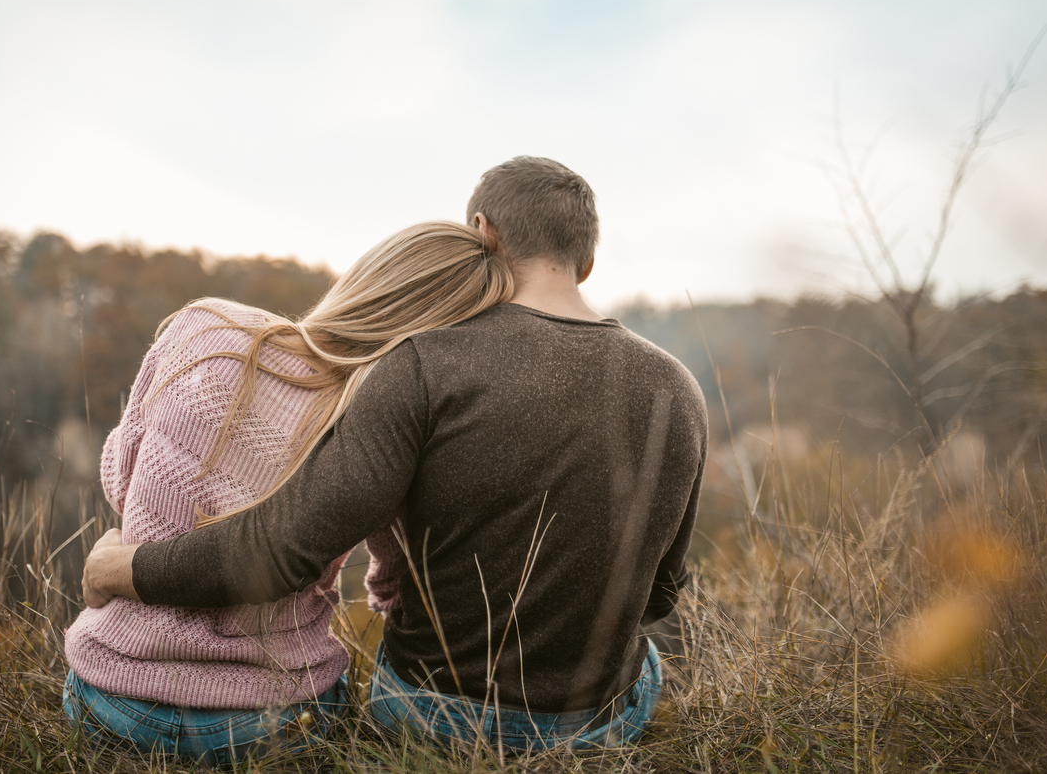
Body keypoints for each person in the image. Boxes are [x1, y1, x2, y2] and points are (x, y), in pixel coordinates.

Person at [82, 156, 708, 752]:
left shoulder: (421, 365)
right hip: (596, 722)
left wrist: (119, 570)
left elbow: (283, 550)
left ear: (481, 231)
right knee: (642, 661)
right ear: (588, 260)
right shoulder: (678, 388)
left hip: (431, 714)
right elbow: (659, 596)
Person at [62, 222, 513, 764]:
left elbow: (121, 474)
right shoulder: (384, 422)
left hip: (111, 698)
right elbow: (393, 584)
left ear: (371, 272)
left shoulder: (202, 326)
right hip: (270, 720)